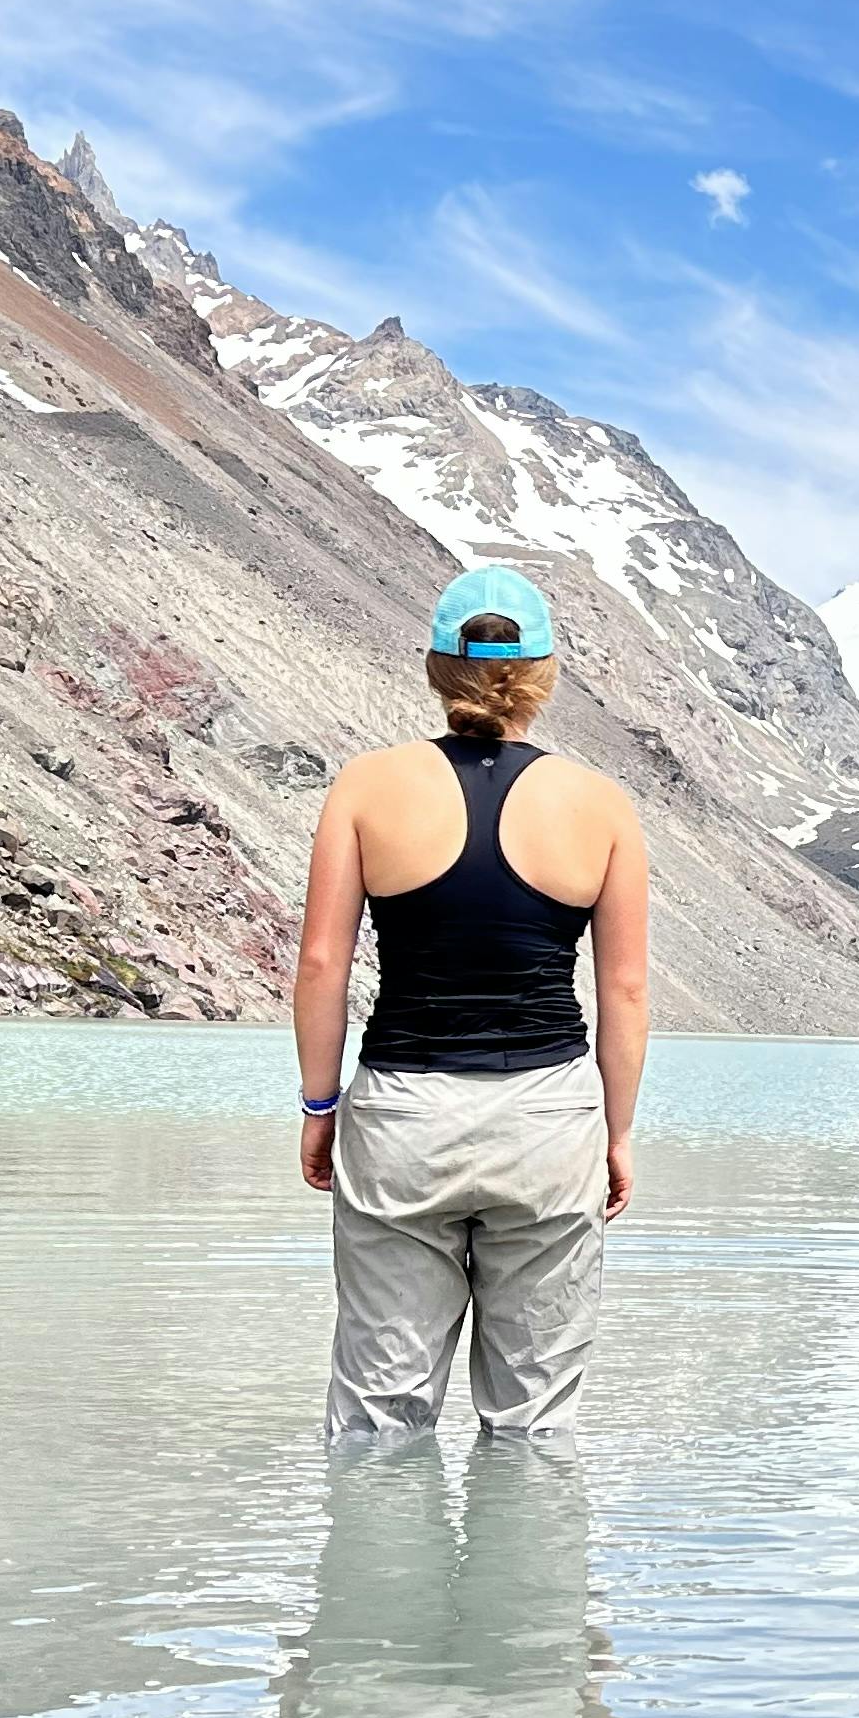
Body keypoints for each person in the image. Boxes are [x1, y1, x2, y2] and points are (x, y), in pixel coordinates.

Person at [295, 566, 650, 1438]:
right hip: (548, 1117)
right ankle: (523, 1573)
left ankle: (374, 1571)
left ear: (435, 669)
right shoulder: (601, 806)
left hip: (403, 1116)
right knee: (535, 1422)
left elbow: (319, 964)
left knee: (379, 1417)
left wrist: (319, 1105)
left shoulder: (367, 786)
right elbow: (628, 992)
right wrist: (615, 1131)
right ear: (547, 672)